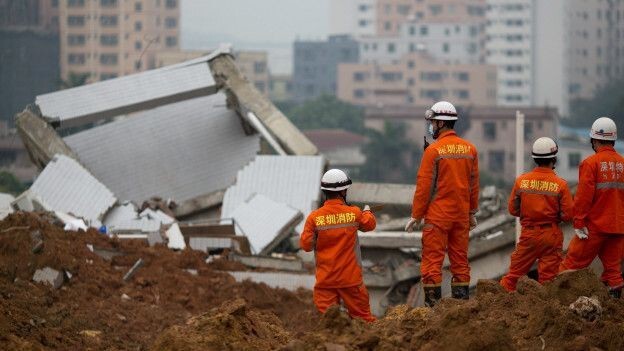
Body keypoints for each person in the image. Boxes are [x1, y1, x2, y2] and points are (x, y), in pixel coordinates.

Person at [405, 101, 479, 306]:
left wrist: (416, 215)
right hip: (461, 216)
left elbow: (424, 186)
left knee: (432, 263)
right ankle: (461, 307)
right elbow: (474, 184)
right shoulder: (470, 149)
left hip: (438, 218)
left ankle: (433, 310)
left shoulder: (433, 151)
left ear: (439, 123)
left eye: (432, 122)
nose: (430, 126)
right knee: (460, 262)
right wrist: (472, 212)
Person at [300, 169, 377, 321]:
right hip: (351, 281)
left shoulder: (314, 218)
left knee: (327, 324)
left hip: (325, 281)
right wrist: (367, 212)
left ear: (325, 191)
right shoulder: (354, 213)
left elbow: (306, 245)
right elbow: (370, 225)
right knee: (364, 320)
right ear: (343, 191)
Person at [559, 117, 624, 297]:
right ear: (613, 140)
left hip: (594, 227)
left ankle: (554, 302)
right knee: (613, 271)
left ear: (594, 140)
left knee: (570, 265)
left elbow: (583, 197)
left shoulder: (590, 163)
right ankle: (615, 309)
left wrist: (579, 223)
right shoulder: (623, 163)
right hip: (618, 227)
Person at [500, 137, 573, 291]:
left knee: (513, 276)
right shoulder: (561, 185)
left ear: (534, 158)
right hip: (550, 236)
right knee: (549, 279)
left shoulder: (522, 181)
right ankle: (546, 311)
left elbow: (513, 210)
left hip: (529, 234)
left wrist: (529, 213)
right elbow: (567, 215)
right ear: (554, 158)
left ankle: (497, 301)